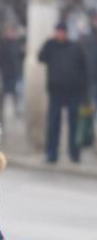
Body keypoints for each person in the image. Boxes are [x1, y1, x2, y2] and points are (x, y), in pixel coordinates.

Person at [38, 21, 88, 164]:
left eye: (62, 31)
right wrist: (49, 42)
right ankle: (51, 153)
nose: (60, 34)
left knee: (74, 124)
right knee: (53, 124)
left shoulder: (75, 47)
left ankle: (74, 154)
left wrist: (84, 93)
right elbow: (40, 57)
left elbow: (83, 69)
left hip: (73, 92)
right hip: (55, 92)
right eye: (58, 31)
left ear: (66, 33)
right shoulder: (51, 46)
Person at [0, 23, 25, 126]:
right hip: (5, 72)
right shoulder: (3, 43)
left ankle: (16, 110)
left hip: (15, 73)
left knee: (16, 93)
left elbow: (21, 57)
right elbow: (0, 58)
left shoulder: (18, 44)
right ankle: (1, 113)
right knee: (2, 94)